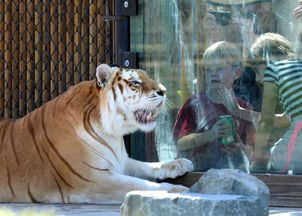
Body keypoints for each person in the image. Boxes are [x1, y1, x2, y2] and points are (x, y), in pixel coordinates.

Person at [173, 41, 255, 172]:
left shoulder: (244, 108)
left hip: (234, 174)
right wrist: (211, 134)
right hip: (197, 174)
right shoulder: (194, 104)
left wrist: (240, 148)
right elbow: (180, 143)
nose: (213, 74)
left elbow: (254, 152)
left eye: (220, 68)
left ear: (237, 73)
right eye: (209, 70)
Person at [249, 33, 302, 173]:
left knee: (277, 158)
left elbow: (266, 121)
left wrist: (258, 163)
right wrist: (237, 111)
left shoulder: (273, 70)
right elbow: (285, 119)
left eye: (256, 69)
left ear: (267, 61)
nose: (256, 79)